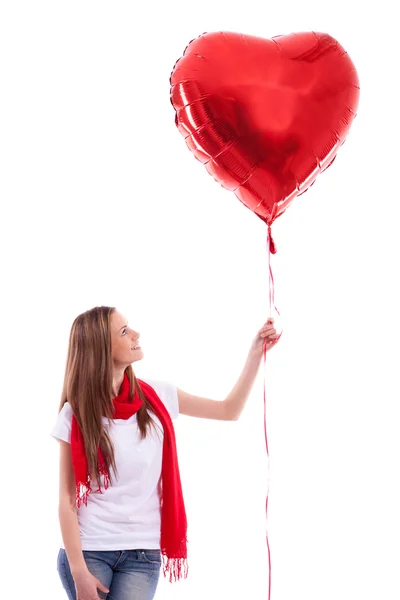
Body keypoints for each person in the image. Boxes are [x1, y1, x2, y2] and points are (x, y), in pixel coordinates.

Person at [51, 305, 280, 600]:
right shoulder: (75, 414)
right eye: (124, 332)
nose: (136, 334)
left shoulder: (159, 396)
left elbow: (228, 410)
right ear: (101, 348)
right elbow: (67, 501)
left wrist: (256, 351)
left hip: (142, 555)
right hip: (89, 551)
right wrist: (78, 571)